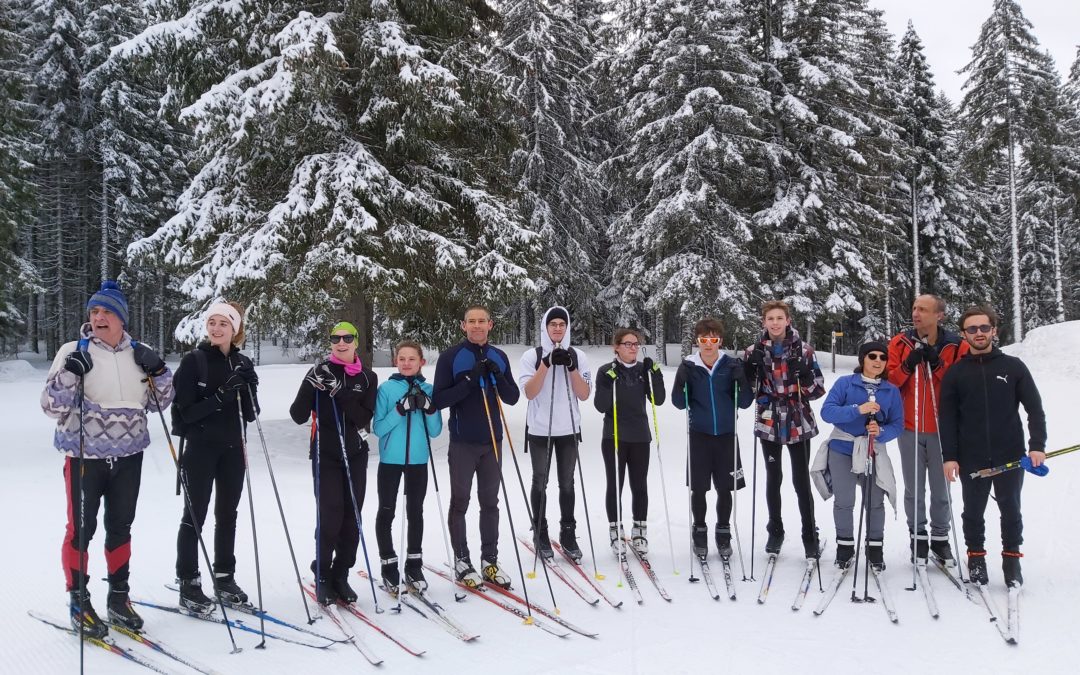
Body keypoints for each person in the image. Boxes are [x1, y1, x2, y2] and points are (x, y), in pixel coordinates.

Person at [41, 280, 174, 636]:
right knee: (80, 530)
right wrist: (71, 372)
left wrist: (159, 371)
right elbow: (51, 406)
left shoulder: (139, 353)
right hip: (84, 457)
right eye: (94, 311)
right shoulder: (74, 349)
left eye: (107, 312)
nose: (99, 317)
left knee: (121, 528)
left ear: (122, 319)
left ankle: (118, 598)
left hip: (129, 457)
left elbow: (160, 403)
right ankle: (79, 602)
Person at [940, 305, 1046, 588]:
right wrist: (949, 457)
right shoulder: (956, 373)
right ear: (964, 334)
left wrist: (1037, 446)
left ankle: (1012, 561)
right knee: (973, 511)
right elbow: (947, 418)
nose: (979, 333)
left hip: (1010, 453)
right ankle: (976, 558)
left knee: (1011, 509)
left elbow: (1034, 410)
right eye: (972, 329)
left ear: (994, 330)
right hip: (971, 456)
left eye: (984, 328)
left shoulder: (1013, 367)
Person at [169, 302, 259, 614]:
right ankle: (189, 583)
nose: (217, 328)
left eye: (224, 324)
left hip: (233, 449)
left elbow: (250, 414)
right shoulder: (194, 361)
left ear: (235, 330)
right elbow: (186, 412)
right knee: (194, 516)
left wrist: (249, 385)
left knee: (228, 515)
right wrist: (221, 395)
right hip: (200, 449)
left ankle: (224, 578)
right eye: (213, 322)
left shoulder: (241, 361)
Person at [289, 322, 378, 605]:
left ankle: (341, 574)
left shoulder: (367, 377)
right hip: (325, 453)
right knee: (330, 516)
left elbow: (362, 418)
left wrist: (339, 392)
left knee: (352, 518)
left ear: (355, 341)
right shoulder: (318, 372)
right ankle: (323, 576)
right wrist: (310, 383)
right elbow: (297, 414)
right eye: (335, 338)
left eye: (347, 337)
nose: (341, 342)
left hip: (355, 452)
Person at [432, 306, 520, 588]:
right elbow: (439, 399)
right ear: (463, 325)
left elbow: (513, 398)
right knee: (460, 502)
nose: (477, 326)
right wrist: (470, 380)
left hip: (492, 441)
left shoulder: (499, 356)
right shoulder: (451, 358)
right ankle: (462, 559)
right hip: (463, 443)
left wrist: (499, 376)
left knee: (490, 503)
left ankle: (489, 561)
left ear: (490, 324)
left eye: (482, 321)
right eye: (472, 321)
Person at [886, 294, 968, 565]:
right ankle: (918, 536)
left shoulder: (956, 346)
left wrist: (937, 364)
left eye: (923, 309)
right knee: (914, 487)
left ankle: (941, 539)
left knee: (941, 487)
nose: (916, 313)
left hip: (944, 428)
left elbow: (961, 385)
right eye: (914, 308)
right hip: (910, 427)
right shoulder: (900, 343)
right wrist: (909, 364)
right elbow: (890, 382)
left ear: (939, 315)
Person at [743, 300, 826, 558]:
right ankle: (775, 529)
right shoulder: (753, 350)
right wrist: (749, 370)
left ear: (788, 320)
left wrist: (806, 377)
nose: (776, 323)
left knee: (801, 480)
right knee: (773, 477)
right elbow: (747, 392)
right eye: (771, 319)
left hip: (797, 419)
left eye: (780, 318)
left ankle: (809, 533)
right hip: (769, 419)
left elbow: (818, 389)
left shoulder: (804, 350)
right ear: (763, 322)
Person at [816, 341, 903, 570]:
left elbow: (898, 424)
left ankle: (875, 548)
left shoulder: (890, 390)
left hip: (872, 450)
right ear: (862, 359)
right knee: (844, 501)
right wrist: (858, 410)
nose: (877, 361)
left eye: (882, 357)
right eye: (872, 356)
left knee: (875, 501)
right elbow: (827, 412)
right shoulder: (846, 383)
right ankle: (845, 547)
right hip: (842, 447)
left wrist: (881, 432)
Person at [673, 318, 753, 559]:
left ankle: (723, 531)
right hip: (699, 435)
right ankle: (699, 530)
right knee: (698, 489)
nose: (709, 345)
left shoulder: (730, 365)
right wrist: (682, 380)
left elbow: (747, 402)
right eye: (704, 340)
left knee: (725, 488)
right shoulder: (689, 365)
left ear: (720, 341)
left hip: (727, 436)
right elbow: (678, 403)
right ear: (697, 341)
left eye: (714, 339)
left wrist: (741, 379)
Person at [518, 306, 592, 561]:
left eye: (562, 324)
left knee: (567, 483)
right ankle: (540, 530)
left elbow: (584, 394)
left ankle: (568, 533)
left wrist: (571, 367)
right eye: (553, 324)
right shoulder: (532, 355)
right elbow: (529, 392)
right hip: (540, 430)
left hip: (569, 429)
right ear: (545, 328)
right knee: (540, 481)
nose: (558, 328)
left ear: (567, 327)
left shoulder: (578, 355)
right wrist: (546, 363)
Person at [372, 340, 443, 594]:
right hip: (390, 461)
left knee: (415, 512)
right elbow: (378, 428)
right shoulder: (387, 389)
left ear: (421, 362)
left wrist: (429, 407)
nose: (406, 363)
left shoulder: (428, 388)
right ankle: (389, 566)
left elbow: (435, 431)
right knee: (387, 511)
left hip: (418, 461)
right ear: (395, 361)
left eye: (411, 359)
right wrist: (400, 409)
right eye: (401, 358)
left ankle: (414, 565)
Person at [593, 328, 664, 556]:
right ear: (617, 347)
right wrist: (607, 383)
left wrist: (657, 375)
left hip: (640, 436)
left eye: (636, 344)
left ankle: (639, 530)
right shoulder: (606, 371)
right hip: (614, 436)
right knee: (615, 484)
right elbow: (601, 406)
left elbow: (658, 400)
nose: (633, 348)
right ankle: (616, 531)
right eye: (627, 344)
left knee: (639, 485)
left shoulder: (644, 369)